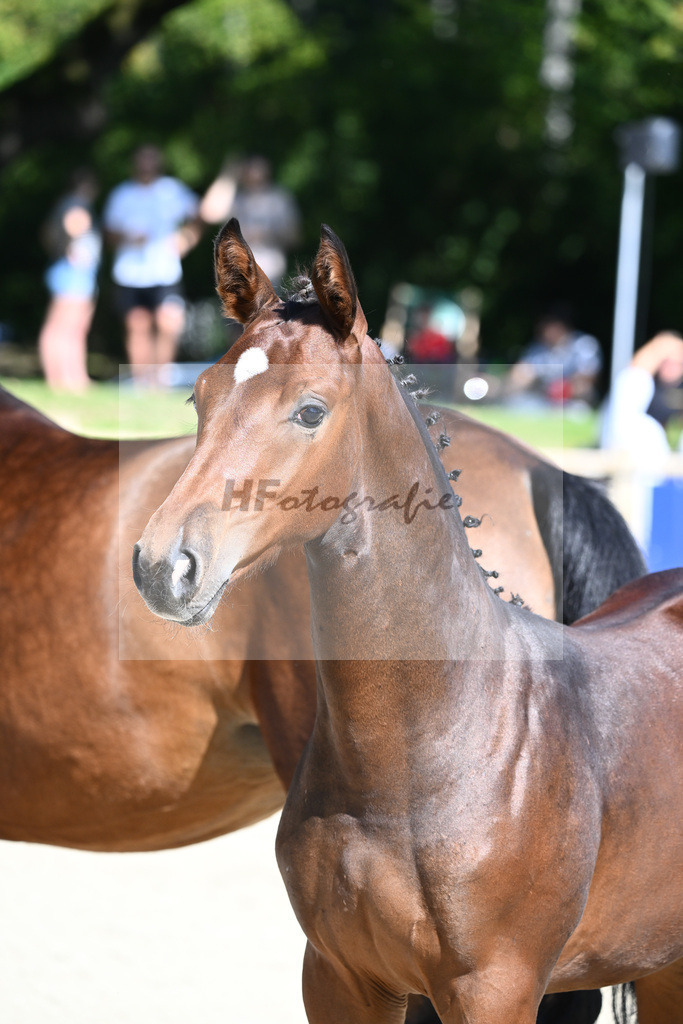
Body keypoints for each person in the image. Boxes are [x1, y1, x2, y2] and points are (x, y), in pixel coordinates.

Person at [103, 145, 201, 384]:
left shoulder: (173, 190)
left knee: (168, 322)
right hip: (130, 273)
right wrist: (127, 237)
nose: (146, 165)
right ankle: (142, 383)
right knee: (137, 325)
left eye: (151, 160)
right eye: (141, 160)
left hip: (164, 271)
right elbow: (108, 234)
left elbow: (201, 215)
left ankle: (160, 381)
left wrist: (187, 238)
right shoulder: (121, 194)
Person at [601, 330, 683, 551]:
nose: (672, 366)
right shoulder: (640, 388)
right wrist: (663, 345)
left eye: (678, 362)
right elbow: (633, 375)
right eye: (668, 360)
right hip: (633, 468)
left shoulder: (675, 390)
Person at [38, 168, 101, 391]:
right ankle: (59, 379)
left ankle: (74, 378)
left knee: (73, 327)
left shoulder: (63, 203)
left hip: (68, 271)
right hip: (73, 272)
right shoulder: (76, 203)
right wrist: (75, 251)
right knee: (63, 326)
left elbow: (46, 233)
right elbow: (75, 223)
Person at [200, 156, 300, 289]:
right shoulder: (232, 198)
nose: (253, 171)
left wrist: (265, 234)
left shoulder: (280, 199)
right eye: (249, 166)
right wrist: (228, 175)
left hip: (270, 275)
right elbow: (209, 213)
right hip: (235, 275)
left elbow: (295, 237)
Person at [506, 305, 602, 407]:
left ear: (560, 325)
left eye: (546, 324)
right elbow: (521, 372)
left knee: (583, 389)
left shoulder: (584, 344)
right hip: (543, 399)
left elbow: (587, 378)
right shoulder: (539, 347)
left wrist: (559, 389)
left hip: (574, 399)